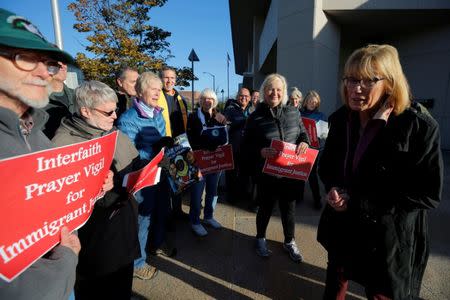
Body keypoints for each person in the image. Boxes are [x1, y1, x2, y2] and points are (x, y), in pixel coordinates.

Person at [317, 44, 443, 299]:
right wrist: (332, 188)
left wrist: (359, 203)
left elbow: (427, 193)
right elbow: (327, 165)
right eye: (351, 79)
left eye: (367, 81)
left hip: (387, 239)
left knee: (381, 293)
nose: (355, 88)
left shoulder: (418, 126)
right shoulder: (340, 119)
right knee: (336, 282)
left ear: (390, 82)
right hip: (344, 229)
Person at [0, 8, 82, 299]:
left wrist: (90, 187)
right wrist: (66, 260)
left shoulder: (37, 131)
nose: (42, 72)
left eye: (46, 62)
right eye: (24, 57)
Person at [52, 81, 141, 299]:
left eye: (116, 109)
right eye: (109, 111)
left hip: (124, 231)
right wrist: (102, 189)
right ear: (85, 111)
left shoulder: (111, 130)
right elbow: (63, 200)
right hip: (97, 242)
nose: (114, 116)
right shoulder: (63, 145)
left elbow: (133, 165)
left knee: (122, 288)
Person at [241, 73, 310, 262]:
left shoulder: (293, 112)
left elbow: (303, 134)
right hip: (266, 173)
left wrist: (304, 142)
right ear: (264, 91)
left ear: (284, 92)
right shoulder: (255, 117)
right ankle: (260, 238)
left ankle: (290, 241)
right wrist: (260, 151)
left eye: (279, 89)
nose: (275, 93)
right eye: (271, 89)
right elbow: (245, 145)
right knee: (265, 208)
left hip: (289, 173)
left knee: (289, 209)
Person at [117, 71, 171, 280]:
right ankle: (138, 264)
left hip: (160, 173)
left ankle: (156, 245)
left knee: (161, 211)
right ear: (140, 91)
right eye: (153, 89)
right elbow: (128, 155)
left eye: (159, 89)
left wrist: (168, 149)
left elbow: (163, 140)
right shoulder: (128, 119)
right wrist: (154, 151)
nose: (158, 93)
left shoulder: (157, 113)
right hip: (143, 179)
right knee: (143, 220)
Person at [186, 88, 228, 236]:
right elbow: (192, 139)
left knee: (212, 190)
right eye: (204, 98)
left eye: (210, 99)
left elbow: (224, 138)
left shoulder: (220, 117)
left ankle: (209, 216)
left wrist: (215, 143)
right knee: (197, 192)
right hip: (199, 160)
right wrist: (208, 143)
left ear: (214, 101)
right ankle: (195, 221)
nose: (207, 101)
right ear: (200, 101)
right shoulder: (193, 117)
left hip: (215, 161)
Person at [158, 66, 190, 220]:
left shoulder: (180, 98)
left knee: (180, 178)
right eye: (166, 77)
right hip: (164, 145)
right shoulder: (156, 96)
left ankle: (178, 210)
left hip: (181, 143)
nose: (169, 81)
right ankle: (166, 215)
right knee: (165, 181)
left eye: (172, 78)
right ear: (160, 79)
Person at [224, 87, 251, 203]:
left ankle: (243, 195)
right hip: (233, 147)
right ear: (237, 97)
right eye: (241, 95)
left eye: (246, 96)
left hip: (248, 148)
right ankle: (231, 197)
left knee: (245, 173)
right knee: (231, 174)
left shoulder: (253, 110)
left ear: (249, 98)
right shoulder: (230, 110)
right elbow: (226, 125)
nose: (243, 98)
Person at [300, 90, 327, 209]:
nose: (313, 104)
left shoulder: (321, 116)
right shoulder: (299, 114)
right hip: (300, 147)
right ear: (306, 101)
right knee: (299, 173)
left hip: (314, 149)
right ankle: (299, 196)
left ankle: (317, 199)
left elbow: (325, 135)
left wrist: (318, 132)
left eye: (315, 102)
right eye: (311, 101)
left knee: (312, 175)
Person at [43, 61, 76, 139]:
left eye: (64, 62)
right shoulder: (32, 102)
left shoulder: (79, 96)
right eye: (55, 63)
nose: (63, 66)